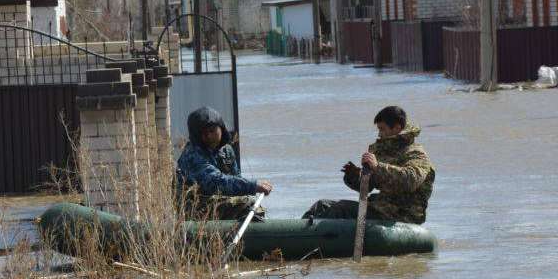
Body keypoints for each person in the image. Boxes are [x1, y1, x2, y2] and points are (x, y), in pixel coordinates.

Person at [303, 105, 434, 225]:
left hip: (402, 214)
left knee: (339, 209)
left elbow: (410, 180)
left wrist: (377, 167)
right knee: (321, 205)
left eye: (382, 129)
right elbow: (368, 186)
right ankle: (294, 240)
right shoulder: (382, 151)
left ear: (397, 128)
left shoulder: (416, 154)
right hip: (380, 208)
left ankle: (311, 243)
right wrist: (355, 176)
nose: (379, 134)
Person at [176, 106, 272, 220]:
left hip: (219, 201)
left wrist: (250, 189)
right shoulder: (192, 155)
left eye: (212, 131)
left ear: (221, 128)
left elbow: (236, 178)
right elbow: (216, 182)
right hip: (196, 209)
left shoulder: (226, 150)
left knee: (253, 206)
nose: (209, 136)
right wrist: (253, 185)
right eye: (203, 133)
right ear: (196, 136)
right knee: (247, 203)